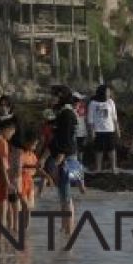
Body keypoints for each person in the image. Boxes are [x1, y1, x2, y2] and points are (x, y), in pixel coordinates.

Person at [49, 90, 79, 234]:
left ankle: (69, 229)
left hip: (66, 158)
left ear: (61, 98)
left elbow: (66, 140)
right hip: (65, 156)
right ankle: (64, 226)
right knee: (63, 195)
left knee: (66, 196)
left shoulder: (66, 114)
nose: (51, 98)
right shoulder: (64, 113)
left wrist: (57, 161)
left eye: (54, 96)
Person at [88, 84, 120, 173]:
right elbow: (90, 119)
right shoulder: (93, 103)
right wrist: (92, 132)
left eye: (109, 91)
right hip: (98, 130)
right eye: (107, 91)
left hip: (110, 129)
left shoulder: (110, 102)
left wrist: (118, 130)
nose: (109, 93)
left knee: (112, 149)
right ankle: (98, 167)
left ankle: (113, 167)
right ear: (102, 92)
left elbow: (114, 117)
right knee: (99, 150)